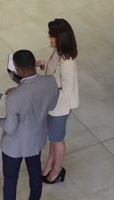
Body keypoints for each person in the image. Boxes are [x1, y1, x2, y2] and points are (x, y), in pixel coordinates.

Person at [0, 50, 59, 200]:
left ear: (20, 70)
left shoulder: (14, 97)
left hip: (14, 147)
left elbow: (10, 128)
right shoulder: (50, 82)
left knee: (11, 180)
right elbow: (51, 105)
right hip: (36, 139)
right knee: (35, 174)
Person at [36, 18, 79, 184]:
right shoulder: (58, 52)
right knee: (53, 137)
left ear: (60, 38)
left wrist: (43, 91)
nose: (48, 37)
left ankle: (56, 170)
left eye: (51, 35)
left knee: (57, 139)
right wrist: (42, 64)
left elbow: (66, 93)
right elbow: (54, 69)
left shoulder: (67, 63)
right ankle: (49, 166)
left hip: (59, 107)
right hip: (52, 104)